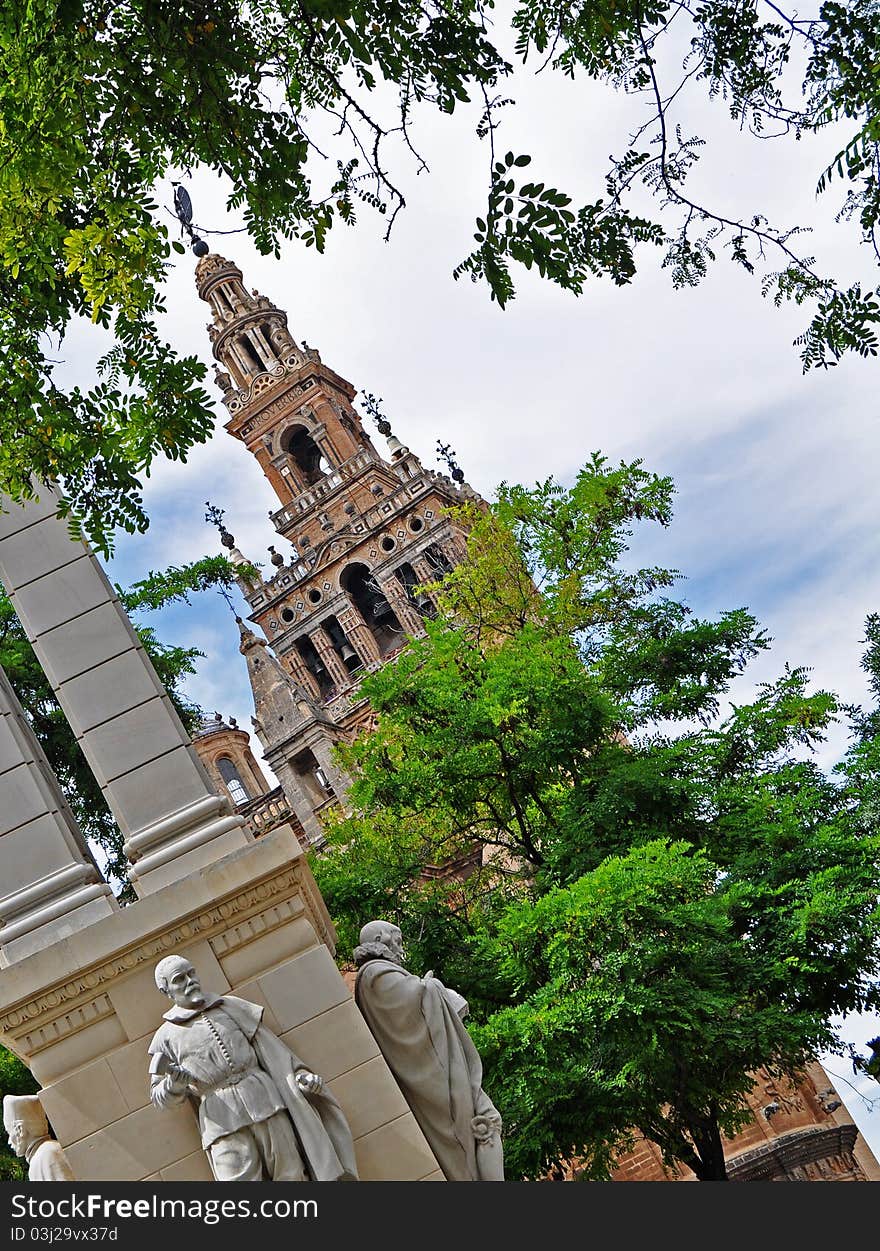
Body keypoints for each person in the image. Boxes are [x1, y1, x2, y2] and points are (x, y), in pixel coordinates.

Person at [148, 955, 357, 1182]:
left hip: (266, 1101)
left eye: (191, 973)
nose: (190, 981)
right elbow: (159, 1096)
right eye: (180, 979)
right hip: (220, 1120)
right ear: (166, 990)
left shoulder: (231, 1007)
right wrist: (173, 1085)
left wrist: (300, 1077)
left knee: (291, 1175)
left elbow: (276, 1055)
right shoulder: (164, 1038)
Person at [353, 920, 504, 1181]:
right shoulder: (375, 974)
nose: (401, 948)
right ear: (380, 939)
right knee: (482, 1124)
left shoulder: (379, 973)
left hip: (439, 1065)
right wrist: (435, 988)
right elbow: (411, 1008)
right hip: (435, 1075)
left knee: (486, 1121)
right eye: (397, 940)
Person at [2, 1094, 74, 1181]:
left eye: (9, 1133)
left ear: (20, 1130)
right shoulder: (44, 1153)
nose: (9, 1141)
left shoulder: (46, 1154)